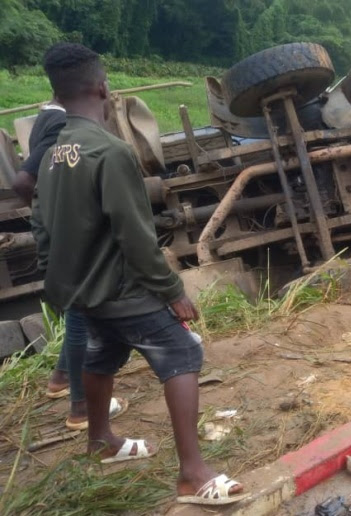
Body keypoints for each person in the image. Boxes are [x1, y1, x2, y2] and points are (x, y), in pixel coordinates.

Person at [30, 43, 245, 505]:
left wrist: (60, 282)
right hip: (122, 288)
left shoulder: (50, 156)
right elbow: (134, 233)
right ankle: (192, 472)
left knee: (101, 353)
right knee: (182, 351)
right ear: (103, 89)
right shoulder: (109, 151)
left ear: (57, 92)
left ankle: (100, 441)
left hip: (83, 293)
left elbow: (41, 226)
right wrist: (171, 290)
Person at [10, 96, 125, 429]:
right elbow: (23, 181)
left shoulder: (44, 118)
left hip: (61, 234)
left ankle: (61, 378)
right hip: (70, 236)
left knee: (78, 314)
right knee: (80, 318)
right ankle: (81, 408)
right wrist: (52, 211)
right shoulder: (61, 125)